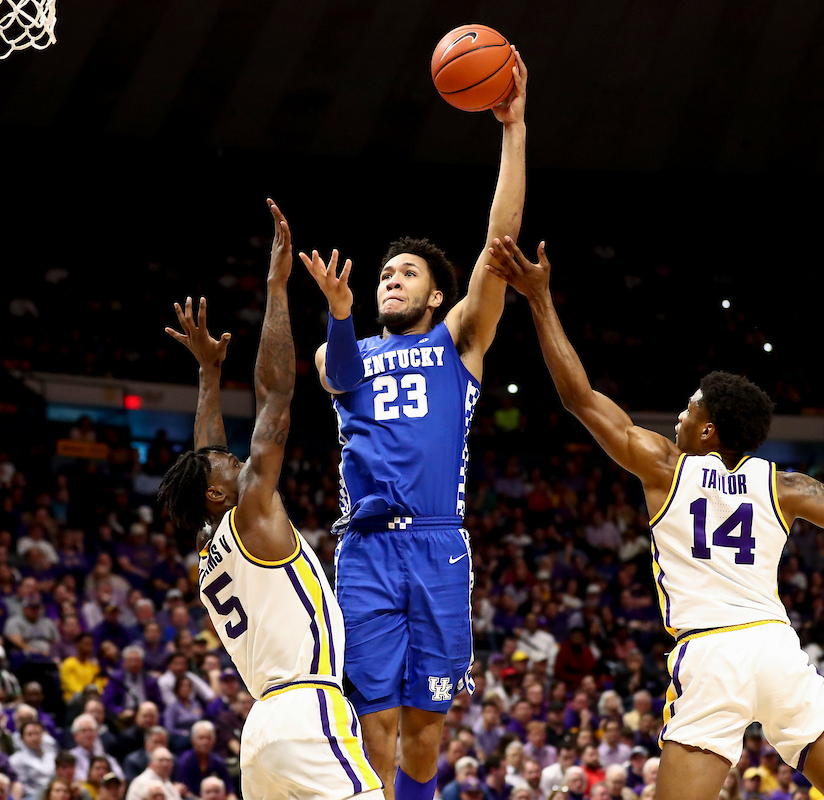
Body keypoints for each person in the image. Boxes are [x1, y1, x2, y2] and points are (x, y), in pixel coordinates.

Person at [482, 235, 824, 800]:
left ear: (708, 430)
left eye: (689, 407)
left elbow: (578, 397)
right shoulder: (784, 485)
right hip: (774, 650)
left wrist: (540, 298)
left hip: (710, 653)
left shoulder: (665, 467)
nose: (679, 415)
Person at [301, 50, 529, 800]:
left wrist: (513, 130)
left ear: (436, 296)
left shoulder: (457, 342)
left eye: (406, 273)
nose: (389, 279)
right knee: (374, 720)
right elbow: (335, 376)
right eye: (384, 274)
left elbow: (498, 248)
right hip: (365, 547)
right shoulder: (345, 351)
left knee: (426, 728)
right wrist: (339, 314)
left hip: (438, 542)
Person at [156, 201, 380, 799]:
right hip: (308, 710)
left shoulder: (211, 544)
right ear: (219, 492)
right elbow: (275, 396)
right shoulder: (251, 511)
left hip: (259, 734)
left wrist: (208, 376)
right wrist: (277, 288)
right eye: (231, 465)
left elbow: (205, 456)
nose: (239, 459)